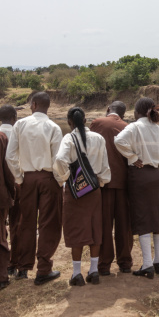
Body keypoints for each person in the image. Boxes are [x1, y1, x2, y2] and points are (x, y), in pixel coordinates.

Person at [114, 98, 159, 278]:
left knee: (142, 217)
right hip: (155, 174)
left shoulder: (135, 126)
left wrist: (131, 156)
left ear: (138, 112)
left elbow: (119, 141)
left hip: (139, 174)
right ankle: (158, 261)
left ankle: (147, 265)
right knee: (157, 215)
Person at [6, 92, 63, 285]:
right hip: (48, 178)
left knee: (26, 223)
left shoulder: (20, 124)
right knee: (49, 224)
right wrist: (59, 181)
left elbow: (10, 156)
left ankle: (23, 268)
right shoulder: (54, 127)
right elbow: (58, 159)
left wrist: (20, 178)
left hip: (27, 179)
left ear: (33, 104)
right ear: (47, 106)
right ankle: (44, 269)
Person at [53, 107, 111, 286]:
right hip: (94, 192)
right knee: (95, 229)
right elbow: (105, 167)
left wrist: (64, 178)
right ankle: (93, 272)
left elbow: (59, 160)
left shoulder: (69, 138)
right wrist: (99, 183)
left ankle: (76, 274)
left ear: (70, 122)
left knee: (76, 229)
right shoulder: (99, 138)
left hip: (75, 193)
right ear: (85, 120)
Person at [89, 101, 133, 275]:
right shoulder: (128, 127)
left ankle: (104, 264)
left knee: (104, 225)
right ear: (123, 113)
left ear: (108, 109)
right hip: (124, 182)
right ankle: (125, 263)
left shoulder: (96, 123)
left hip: (102, 183)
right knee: (124, 225)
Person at [0, 105, 19, 278]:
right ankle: (13, 264)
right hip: (15, 184)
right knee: (17, 224)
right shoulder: (16, 133)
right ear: (14, 117)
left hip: (4, 188)